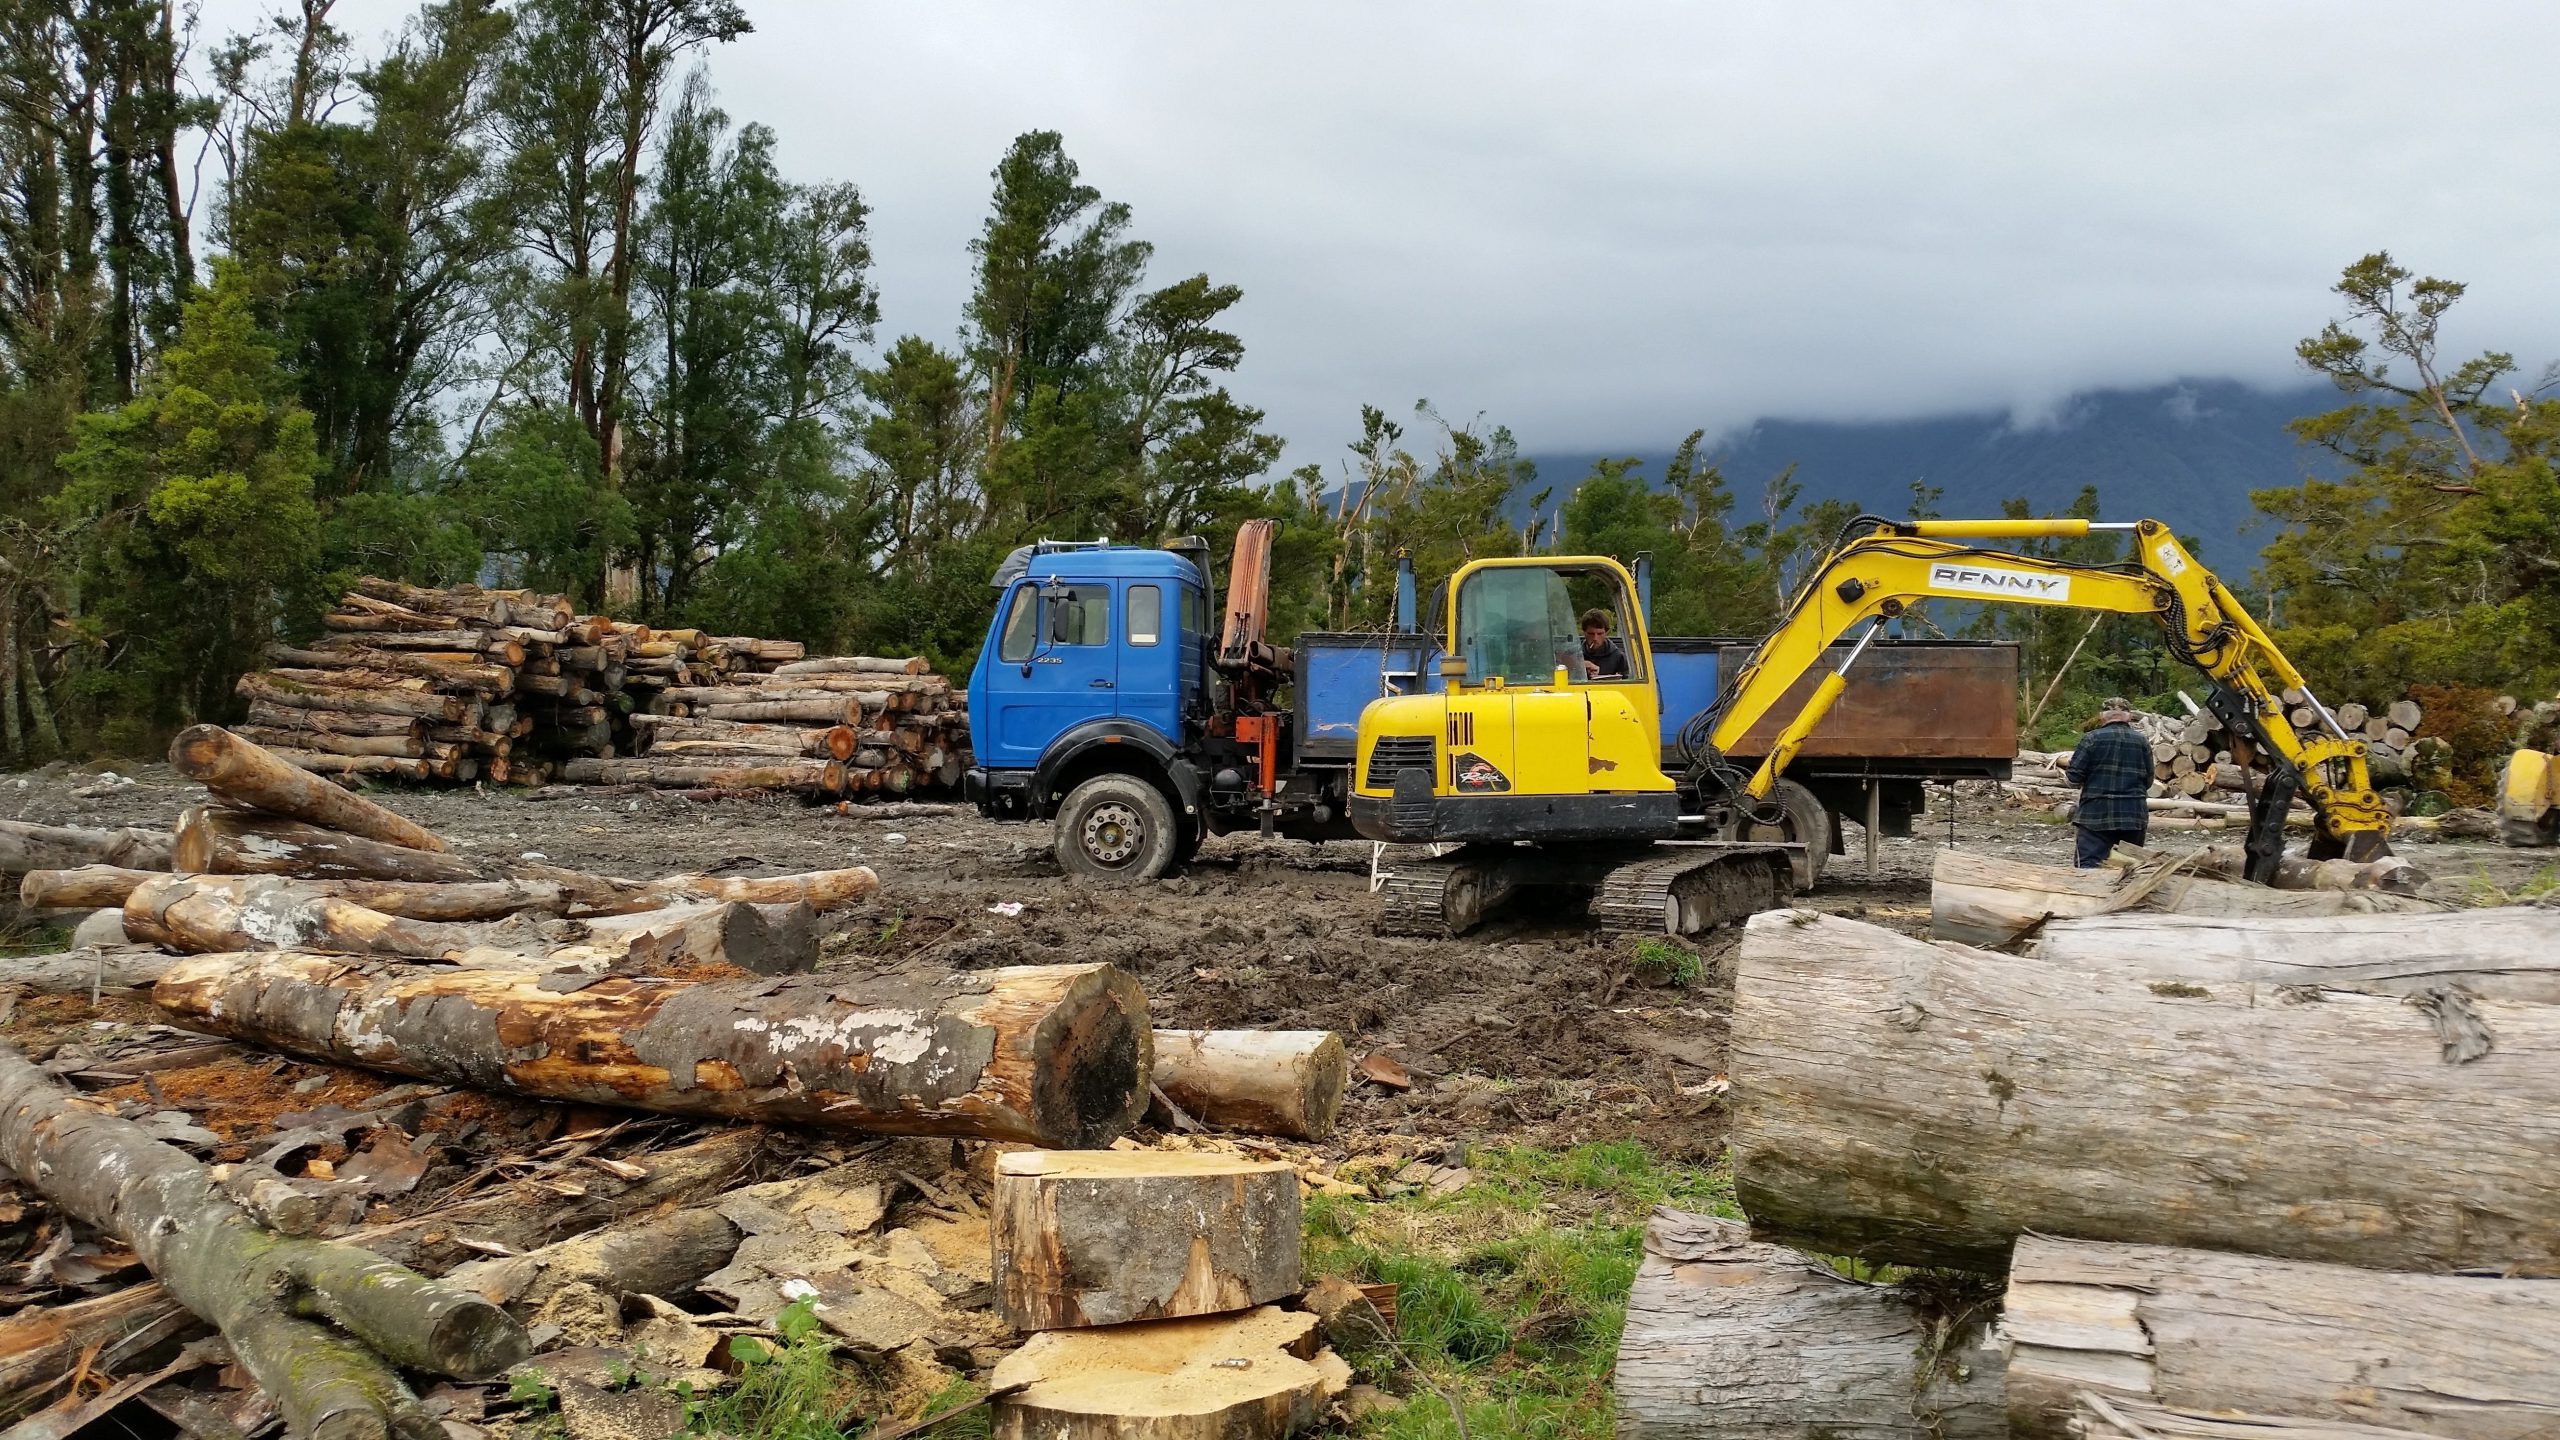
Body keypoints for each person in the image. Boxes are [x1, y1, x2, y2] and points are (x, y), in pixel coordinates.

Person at [2066, 697, 2151, 867]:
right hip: (2133, 815)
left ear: (2102, 716)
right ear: (2129, 716)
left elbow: (2073, 778)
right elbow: (2148, 780)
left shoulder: (2091, 739)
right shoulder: (2141, 741)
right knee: (2128, 869)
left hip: (2096, 814)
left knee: (2088, 869)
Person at [1578, 609, 1628, 680]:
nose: (1595, 638)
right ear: (1584, 633)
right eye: (1591, 634)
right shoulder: (1575, 654)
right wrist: (1580, 664)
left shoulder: (1618, 657)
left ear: (1606, 633)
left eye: (1600, 634)